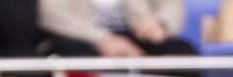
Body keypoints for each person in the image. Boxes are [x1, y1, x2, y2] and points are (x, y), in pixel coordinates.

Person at [38, 0, 197, 59]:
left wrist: (160, 23)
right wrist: (102, 39)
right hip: (81, 38)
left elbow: (171, 5)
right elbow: (49, 13)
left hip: (138, 36)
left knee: (182, 52)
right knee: (74, 55)